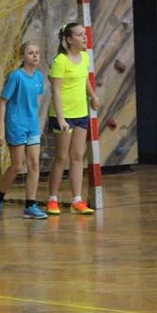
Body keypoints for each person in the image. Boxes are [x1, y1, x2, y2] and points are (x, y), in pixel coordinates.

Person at [46, 22, 100, 215]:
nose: (84, 37)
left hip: (81, 114)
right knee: (62, 156)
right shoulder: (60, 61)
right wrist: (61, 119)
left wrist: (92, 96)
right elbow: (55, 91)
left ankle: (77, 199)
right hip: (63, 115)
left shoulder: (85, 57)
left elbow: (84, 79)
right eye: (79, 35)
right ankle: (52, 199)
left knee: (77, 156)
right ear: (69, 39)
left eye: (84, 34)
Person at [0, 42, 47, 219]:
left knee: (34, 164)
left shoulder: (39, 77)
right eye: (31, 53)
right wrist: (0, 129)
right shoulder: (16, 76)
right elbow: (2, 102)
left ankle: (30, 204)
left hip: (32, 125)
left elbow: (33, 101)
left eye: (37, 52)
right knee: (16, 166)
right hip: (16, 124)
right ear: (22, 57)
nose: (35, 55)